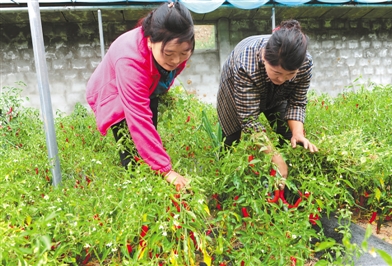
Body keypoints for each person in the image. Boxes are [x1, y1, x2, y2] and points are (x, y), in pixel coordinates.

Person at [86, 2, 194, 191]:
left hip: (146, 85)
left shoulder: (172, 54)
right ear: (150, 41)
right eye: (169, 53)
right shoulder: (130, 60)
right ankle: (137, 191)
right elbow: (138, 118)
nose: (176, 60)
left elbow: (170, 68)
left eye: (184, 53)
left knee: (150, 131)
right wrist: (167, 171)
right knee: (131, 150)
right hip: (114, 94)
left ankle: (153, 176)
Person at [217, 19, 318, 185]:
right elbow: (249, 121)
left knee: (288, 136)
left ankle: (288, 188)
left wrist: (297, 133)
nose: (283, 79)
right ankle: (225, 181)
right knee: (231, 138)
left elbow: (297, 102)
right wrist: (274, 157)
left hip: (277, 95)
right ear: (264, 57)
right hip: (236, 88)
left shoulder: (304, 63)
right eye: (277, 72)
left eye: (289, 74)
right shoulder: (246, 64)